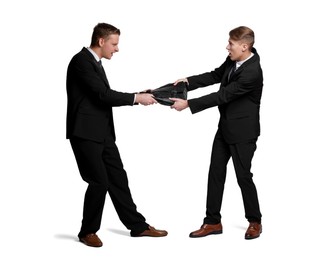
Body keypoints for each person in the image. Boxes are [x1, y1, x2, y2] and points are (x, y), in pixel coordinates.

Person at [66, 23, 167, 247]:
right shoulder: (81, 61)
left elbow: (103, 96)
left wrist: (140, 94)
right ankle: (87, 231)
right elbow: (102, 95)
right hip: (85, 133)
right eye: (114, 44)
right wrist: (135, 98)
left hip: (103, 133)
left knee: (118, 179)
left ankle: (138, 227)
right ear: (101, 41)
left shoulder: (95, 63)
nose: (117, 49)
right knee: (99, 182)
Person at [170, 26, 263, 239]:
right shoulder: (233, 60)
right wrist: (188, 82)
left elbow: (223, 96)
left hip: (243, 132)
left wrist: (189, 104)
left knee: (243, 176)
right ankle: (212, 222)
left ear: (244, 46)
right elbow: (215, 75)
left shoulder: (252, 72)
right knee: (215, 173)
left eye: (231, 44)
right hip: (225, 128)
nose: (227, 47)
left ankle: (255, 220)